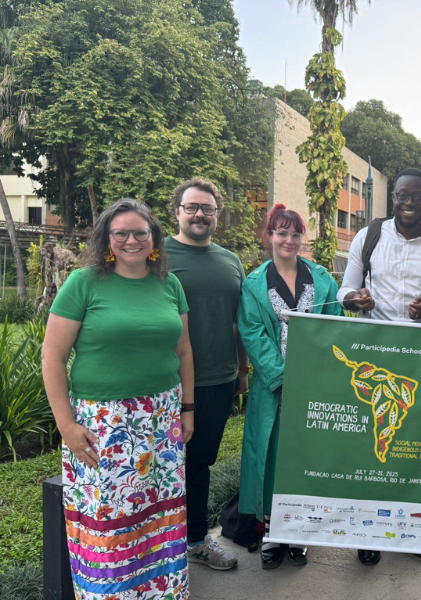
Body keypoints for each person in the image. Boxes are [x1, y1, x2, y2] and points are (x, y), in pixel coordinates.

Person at [43, 198, 194, 599]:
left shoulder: (169, 284)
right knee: (109, 521)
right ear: (106, 239)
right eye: (121, 233)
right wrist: (66, 425)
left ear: (154, 238)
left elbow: (183, 351)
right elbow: (52, 357)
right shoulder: (84, 283)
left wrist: (188, 410)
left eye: (140, 232)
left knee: (159, 514)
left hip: (161, 420)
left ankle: (162, 592)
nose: (132, 240)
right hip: (104, 424)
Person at [338, 167, 421, 565]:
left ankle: (415, 529)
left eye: (417, 197)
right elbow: (345, 289)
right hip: (374, 350)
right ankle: (368, 532)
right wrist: (357, 299)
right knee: (372, 444)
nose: (409, 203)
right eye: (403, 195)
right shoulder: (368, 236)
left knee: (416, 441)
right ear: (393, 198)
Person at [237, 203, 342, 570]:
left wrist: (315, 377)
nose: (289, 240)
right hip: (273, 389)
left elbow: (335, 326)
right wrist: (282, 378)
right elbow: (252, 332)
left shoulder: (322, 280)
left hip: (315, 385)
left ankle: (299, 533)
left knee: (305, 457)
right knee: (272, 458)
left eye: (296, 234)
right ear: (269, 236)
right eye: (282, 233)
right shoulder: (254, 284)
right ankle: (271, 532)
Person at [164, 178, 247, 570]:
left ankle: (195, 541)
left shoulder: (231, 261)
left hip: (218, 380)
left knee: (198, 464)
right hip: (165, 382)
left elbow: (239, 322)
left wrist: (242, 369)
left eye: (208, 208)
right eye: (192, 207)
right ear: (177, 212)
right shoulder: (156, 255)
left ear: (217, 214)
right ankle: (157, 545)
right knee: (160, 465)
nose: (200, 214)